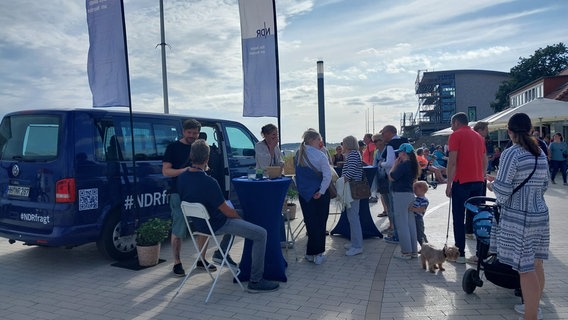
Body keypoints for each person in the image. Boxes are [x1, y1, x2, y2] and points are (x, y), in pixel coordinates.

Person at [177, 139, 280, 292]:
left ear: (191, 156)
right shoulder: (209, 182)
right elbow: (227, 212)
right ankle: (256, 281)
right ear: (207, 158)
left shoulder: (182, 177)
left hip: (200, 224)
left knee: (244, 215)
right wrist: (241, 220)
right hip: (217, 224)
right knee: (260, 233)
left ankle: (221, 252)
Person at [486, 113, 549, 320]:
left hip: (519, 216)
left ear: (510, 132)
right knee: (537, 263)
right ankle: (533, 307)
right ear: (531, 130)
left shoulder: (512, 153)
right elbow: (545, 184)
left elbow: (503, 191)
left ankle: (530, 315)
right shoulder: (539, 152)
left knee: (524, 268)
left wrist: (491, 184)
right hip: (540, 213)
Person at [163, 119, 228, 276]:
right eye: (189, 132)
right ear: (183, 131)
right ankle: (177, 263)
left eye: (195, 133)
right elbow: (166, 171)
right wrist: (185, 171)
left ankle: (201, 259)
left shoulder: (200, 148)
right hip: (178, 193)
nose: (192, 135)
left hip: (199, 191)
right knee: (179, 228)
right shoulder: (173, 148)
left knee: (204, 224)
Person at [445, 112, 487, 264]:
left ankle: (460, 254)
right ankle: (479, 253)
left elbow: (452, 161)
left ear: (456, 122)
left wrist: (448, 183)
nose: (451, 127)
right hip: (478, 181)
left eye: (452, 124)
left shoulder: (456, 135)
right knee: (477, 218)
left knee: (458, 217)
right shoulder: (478, 137)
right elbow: (484, 159)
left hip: (462, 181)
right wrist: (483, 176)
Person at [294, 129, 332, 264]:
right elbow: (327, 176)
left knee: (310, 224)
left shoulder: (298, 154)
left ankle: (310, 253)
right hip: (318, 193)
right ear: (312, 140)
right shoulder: (320, 155)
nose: (320, 142)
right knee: (320, 224)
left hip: (304, 194)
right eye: (318, 139)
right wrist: (321, 191)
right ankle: (318, 254)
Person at [388, 143, 420, 259]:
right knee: (411, 223)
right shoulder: (413, 165)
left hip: (400, 195)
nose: (398, 155)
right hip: (409, 195)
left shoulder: (403, 165)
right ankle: (414, 251)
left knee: (402, 224)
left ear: (403, 153)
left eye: (399, 152)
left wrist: (394, 165)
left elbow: (391, 177)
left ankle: (406, 251)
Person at [379, 125, 409, 244]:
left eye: (383, 133)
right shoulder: (405, 141)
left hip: (394, 178)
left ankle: (396, 235)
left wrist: (381, 164)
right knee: (404, 209)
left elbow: (390, 162)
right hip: (406, 179)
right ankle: (404, 234)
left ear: (390, 132)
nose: (382, 136)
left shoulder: (391, 144)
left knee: (394, 207)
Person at [342, 135, 365, 256]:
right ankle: (355, 242)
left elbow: (349, 173)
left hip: (352, 189)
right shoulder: (355, 154)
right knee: (352, 217)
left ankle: (357, 246)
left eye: (344, 143)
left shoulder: (352, 155)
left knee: (353, 217)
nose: (342, 145)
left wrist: (340, 181)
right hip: (353, 188)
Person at [372, 134, 389, 217]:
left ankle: (392, 225)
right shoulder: (377, 153)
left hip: (388, 178)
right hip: (381, 179)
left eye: (375, 141)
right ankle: (386, 212)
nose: (374, 143)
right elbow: (374, 166)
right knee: (384, 197)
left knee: (390, 201)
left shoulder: (388, 150)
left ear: (382, 140)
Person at [409, 180, 429, 247]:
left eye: (415, 189)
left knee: (420, 233)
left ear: (422, 190)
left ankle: (426, 247)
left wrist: (413, 209)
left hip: (418, 219)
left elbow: (421, 210)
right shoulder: (416, 198)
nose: (414, 190)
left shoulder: (424, 200)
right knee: (416, 233)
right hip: (414, 217)